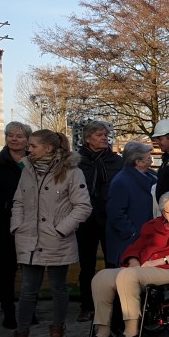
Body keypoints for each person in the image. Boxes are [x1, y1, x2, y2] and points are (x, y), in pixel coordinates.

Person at [84, 191, 169, 337]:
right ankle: (103, 333)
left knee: (128, 276)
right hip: (144, 269)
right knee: (102, 277)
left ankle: (131, 331)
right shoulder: (152, 225)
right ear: (163, 212)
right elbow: (136, 247)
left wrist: (161, 260)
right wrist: (133, 261)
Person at [10, 129, 93, 337]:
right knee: (28, 289)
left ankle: (57, 329)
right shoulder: (27, 170)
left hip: (56, 238)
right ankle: (22, 334)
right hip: (28, 237)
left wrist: (61, 229)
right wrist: (17, 225)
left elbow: (83, 206)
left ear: (48, 148)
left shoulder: (72, 172)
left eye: (33, 146)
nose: (29, 149)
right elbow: (18, 200)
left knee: (58, 287)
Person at [0, 121, 30, 328]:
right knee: (7, 269)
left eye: (19, 136)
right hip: (3, 225)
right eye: (10, 135)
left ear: (27, 139)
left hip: (30, 225)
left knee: (30, 270)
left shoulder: (34, 163)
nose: (14, 139)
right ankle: (9, 313)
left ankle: (29, 311)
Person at [75, 121, 124, 322]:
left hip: (110, 217)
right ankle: (87, 305)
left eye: (105, 135)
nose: (104, 138)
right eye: (98, 135)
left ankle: (115, 304)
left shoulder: (116, 161)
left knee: (113, 261)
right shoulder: (77, 161)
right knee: (86, 265)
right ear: (87, 139)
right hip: (86, 219)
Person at [105, 141, 158, 267]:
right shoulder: (121, 182)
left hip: (145, 237)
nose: (151, 162)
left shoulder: (152, 176)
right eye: (148, 158)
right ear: (138, 162)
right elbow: (115, 213)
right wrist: (132, 232)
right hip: (128, 241)